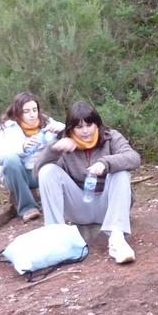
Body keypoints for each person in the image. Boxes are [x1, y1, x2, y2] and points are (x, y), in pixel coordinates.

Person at [33, 100, 140, 264]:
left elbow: (134, 158)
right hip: (79, 206)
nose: (85, 131)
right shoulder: (64, 143)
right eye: (79, 127)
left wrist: (106, 163)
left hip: (108, 206)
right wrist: (53, 150)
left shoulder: (111, 137)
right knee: (48, 171)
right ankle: (56, 237)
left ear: (97, 123)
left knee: (121, 172)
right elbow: (37, 174)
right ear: (71, 128)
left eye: (89, 125)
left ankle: (117, 240)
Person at [0, 92, 65, 220]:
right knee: (11, 159)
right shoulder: (5, 129)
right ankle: (28, 208)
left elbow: (73, 136)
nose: (32, 115)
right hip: (16, 174)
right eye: (26, 111)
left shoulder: (47, 122)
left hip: (43, 172)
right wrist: (22, 148)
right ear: (17, 113)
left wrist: (63, 130)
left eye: (34, 110)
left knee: (63, 149)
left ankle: (68, 201)